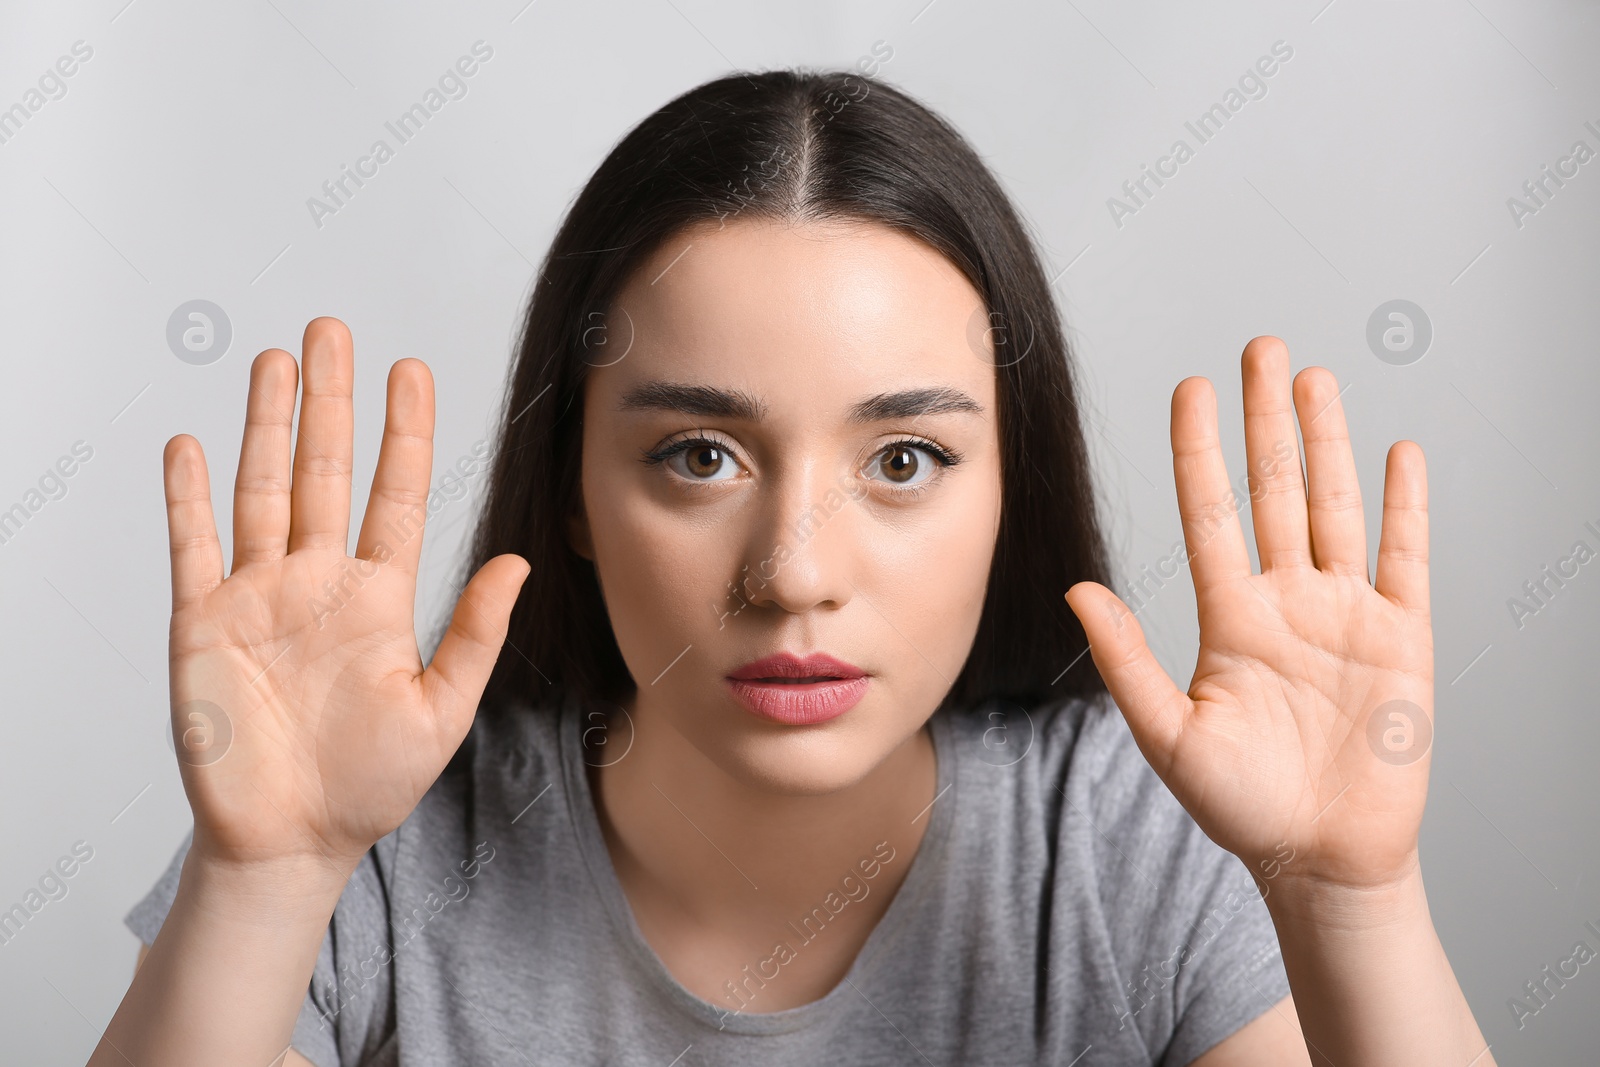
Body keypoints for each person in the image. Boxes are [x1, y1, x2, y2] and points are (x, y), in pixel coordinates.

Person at [93, 69, 1493, 1065]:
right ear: (573, 491)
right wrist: (266, 878)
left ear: (1014, 490)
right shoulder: (385, 844)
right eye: (700, 456)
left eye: (902, 463)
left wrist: (1346, 899)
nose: (794, 576)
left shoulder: (1121, 843)